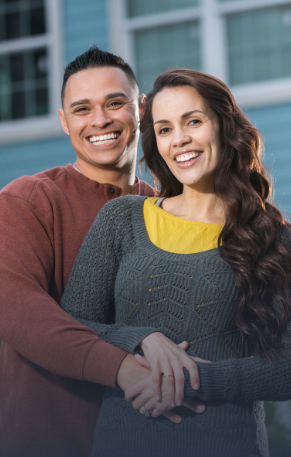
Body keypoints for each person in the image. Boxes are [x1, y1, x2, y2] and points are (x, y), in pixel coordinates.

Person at [60, 68, 291, 457]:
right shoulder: (123, 219)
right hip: (122, 443)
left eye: (193, 121)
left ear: (224, 126)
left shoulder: (273, 238)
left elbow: (286, 367)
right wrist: (142, 339)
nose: (179, 139)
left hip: (226, 445)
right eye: (164, 129)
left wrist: (192, 380)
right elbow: (73, 323)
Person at [0, 46, 198, 457]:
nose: (100, 120)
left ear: (141, 108)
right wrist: (123, 368)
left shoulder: (174, 211)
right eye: (82, 109)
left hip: (152, 440)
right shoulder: (30, 200)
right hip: (51, 439)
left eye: (114, 102)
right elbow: (17, 309)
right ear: (63, 121)